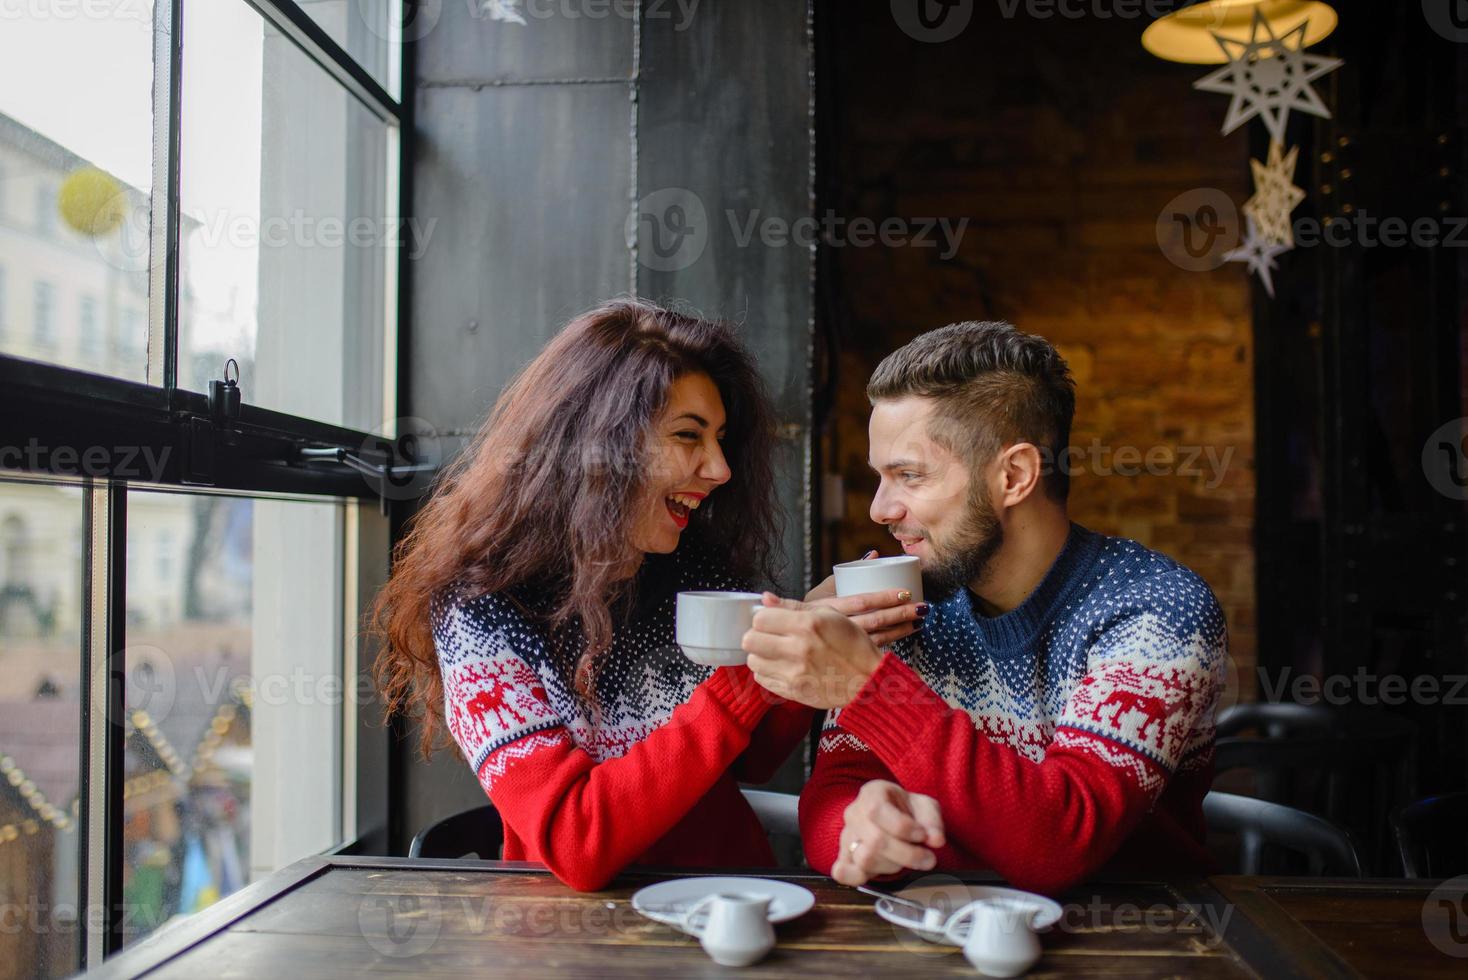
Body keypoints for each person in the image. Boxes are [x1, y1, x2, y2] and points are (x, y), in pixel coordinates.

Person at [742, 320, 1228, 895]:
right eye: (881, 477)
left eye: (909, 476)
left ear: (1014, 476)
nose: (879, 509)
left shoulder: (1158, 610)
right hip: (938, 934)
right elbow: (836, 789)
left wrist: (868, 688)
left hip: (1135, 941)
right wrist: (862, 828)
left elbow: (1060, 842)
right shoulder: (911, 601)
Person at [372, 299, 832, 891]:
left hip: (729, 909)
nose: (720, 468)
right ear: (599, 446)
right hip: (578, 937)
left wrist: (806, 647)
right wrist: (744, 688)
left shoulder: (686, 570)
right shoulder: (480, 612)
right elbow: (576, 840)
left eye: (720, 439)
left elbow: (744, 758)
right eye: (689, 436)